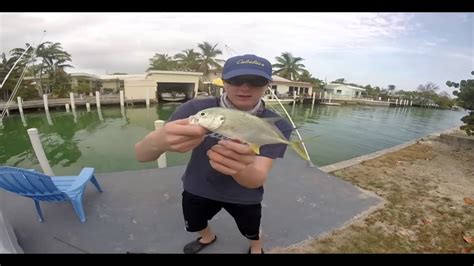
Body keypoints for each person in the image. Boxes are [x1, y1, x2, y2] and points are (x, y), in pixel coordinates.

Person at [134, 54, 293, 254]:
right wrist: (156, 141)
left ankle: (256, 246)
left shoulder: (277, 126)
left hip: (244, 195)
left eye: (256, 81)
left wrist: (239, 168)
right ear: (223, 82)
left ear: (267, 84)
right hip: (198, 186)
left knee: (251, 228)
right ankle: (207, 236)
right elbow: (141, 155)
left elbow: (257, 178)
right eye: (235, 80)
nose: (245, 87)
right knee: (196, 221)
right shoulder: (195, 109)